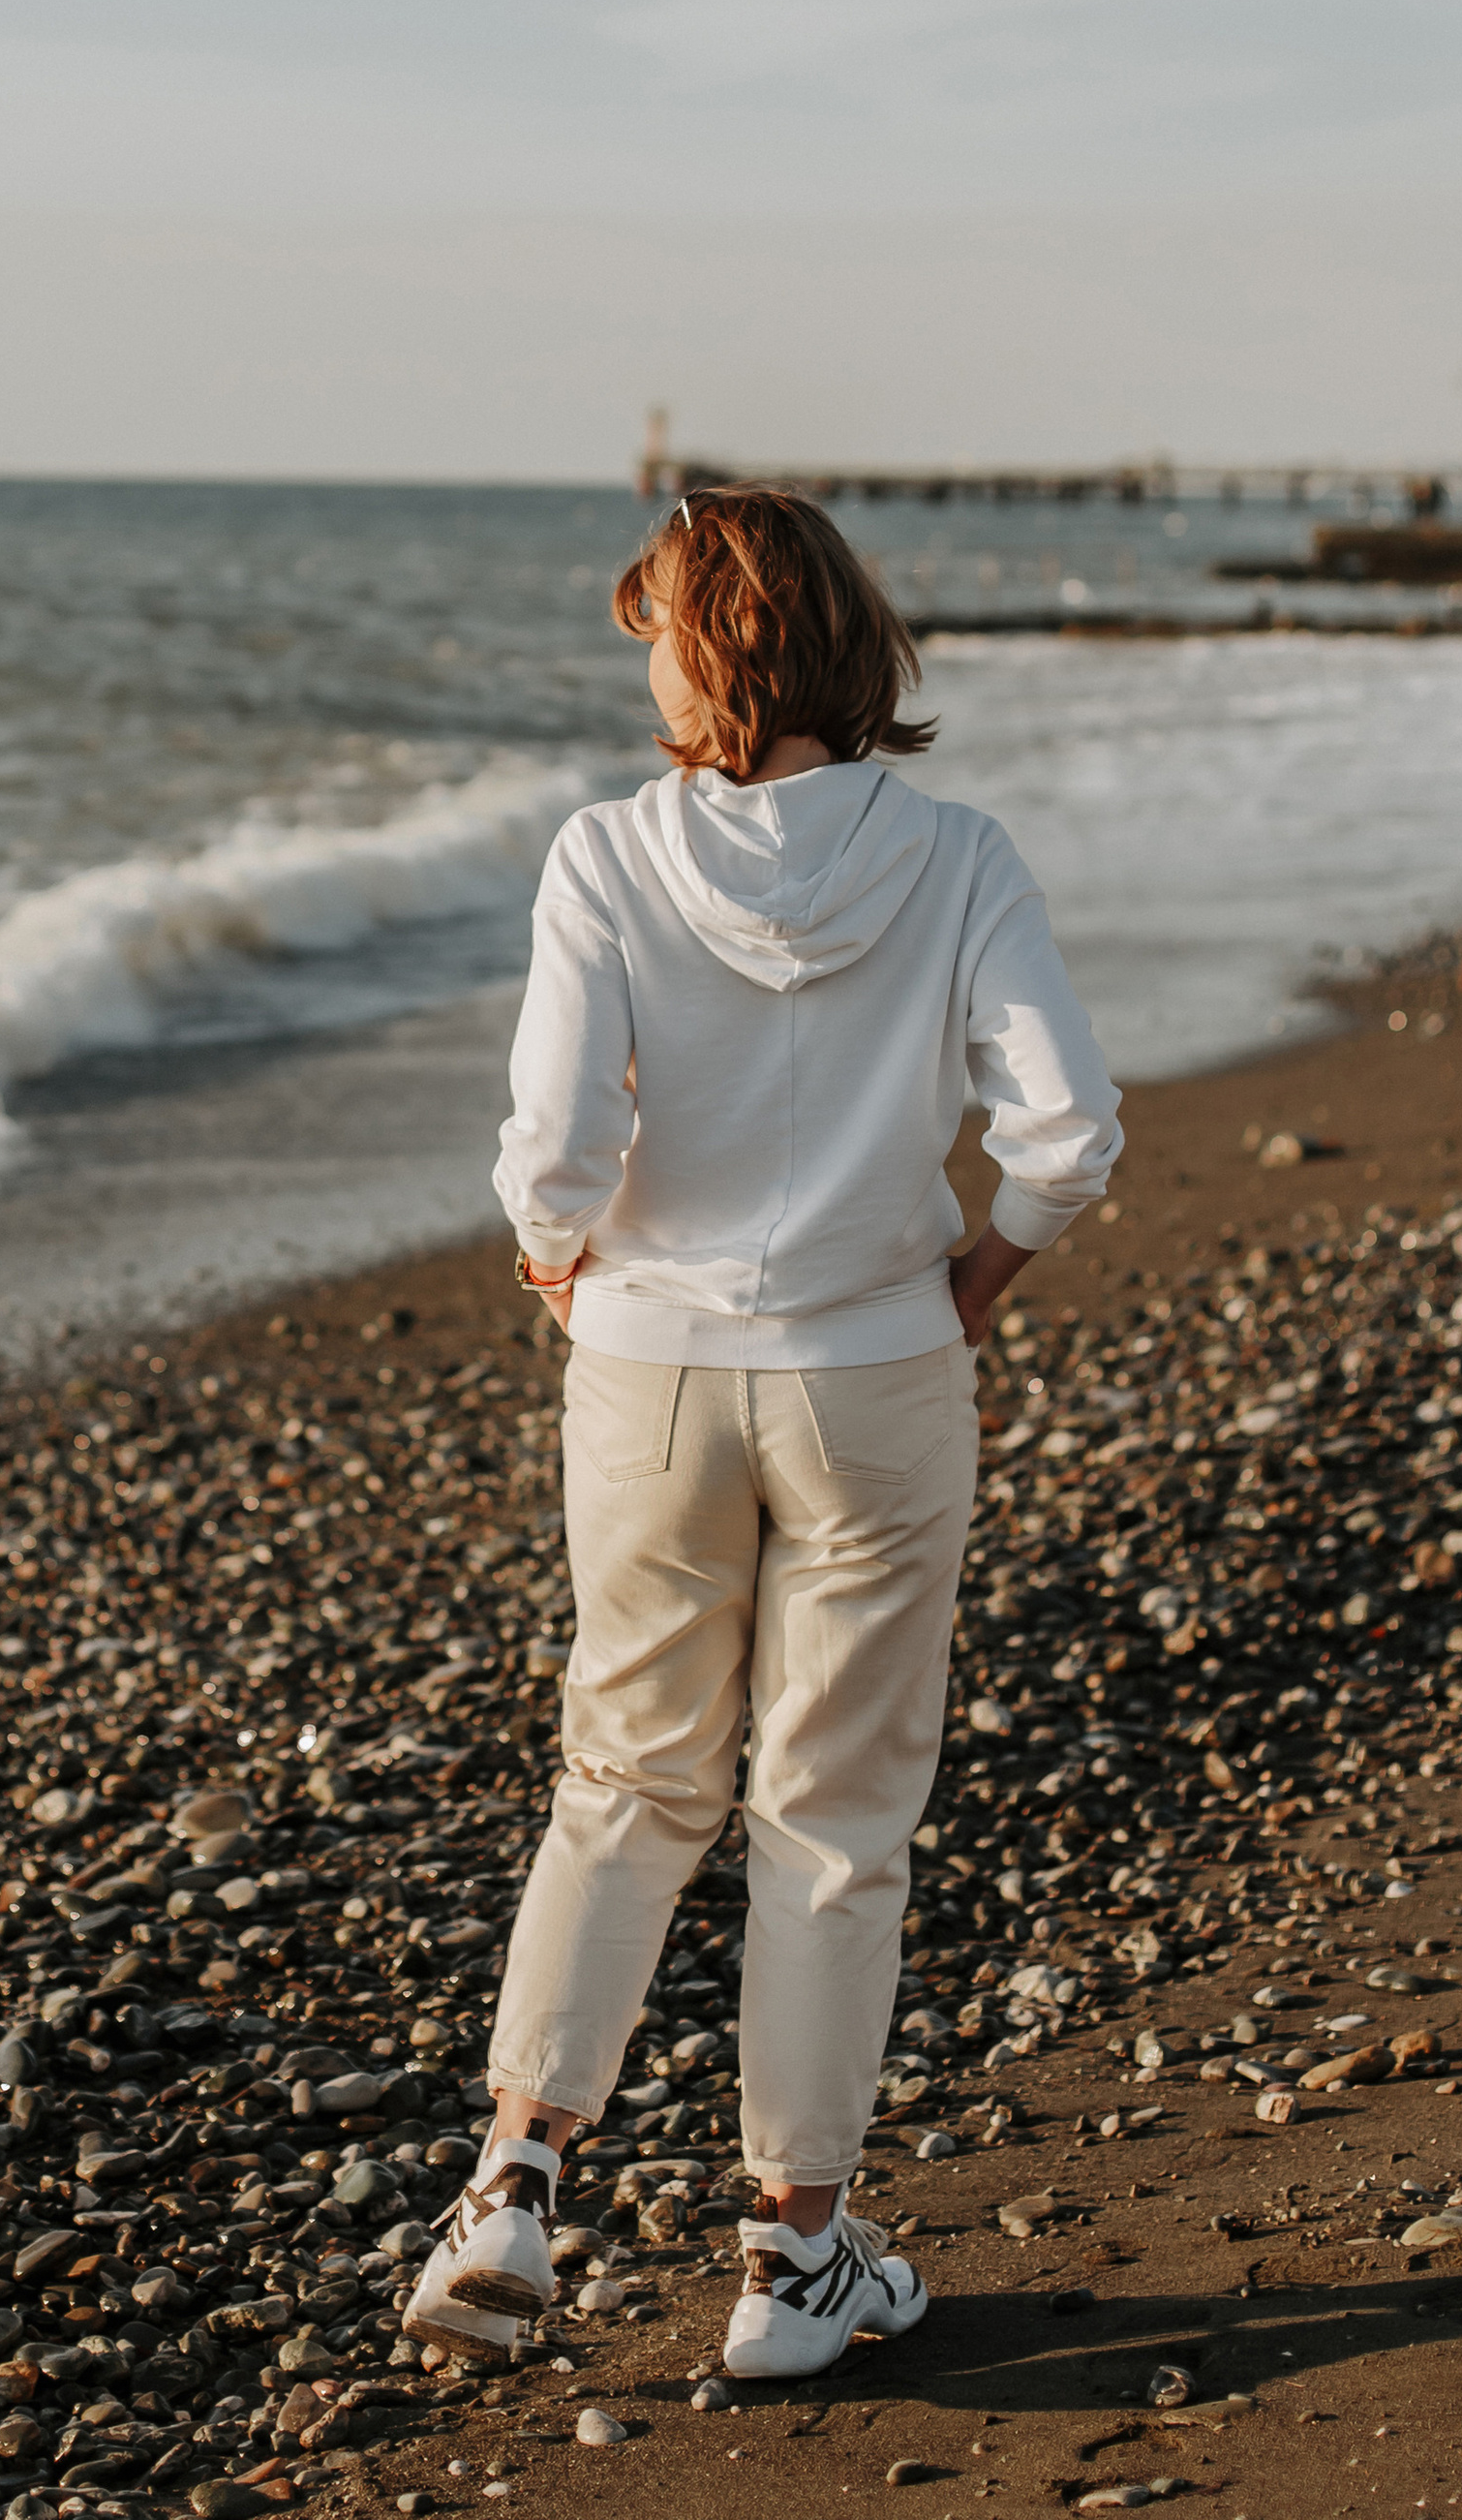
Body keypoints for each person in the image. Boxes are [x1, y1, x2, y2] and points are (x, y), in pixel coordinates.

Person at [405, 486, 1121, 2380]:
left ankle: (510, 2191)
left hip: (646, 1376)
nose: (639, 652)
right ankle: (793, 2265)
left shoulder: (602, 857)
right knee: (828, 1819)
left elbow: (551, 1147)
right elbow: (1064, 1132)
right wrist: (983, 1273)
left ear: (703, 650)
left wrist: (561, 1266)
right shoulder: (955, 856)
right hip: (874, 1373)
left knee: (626, 1785)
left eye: (651, 620)